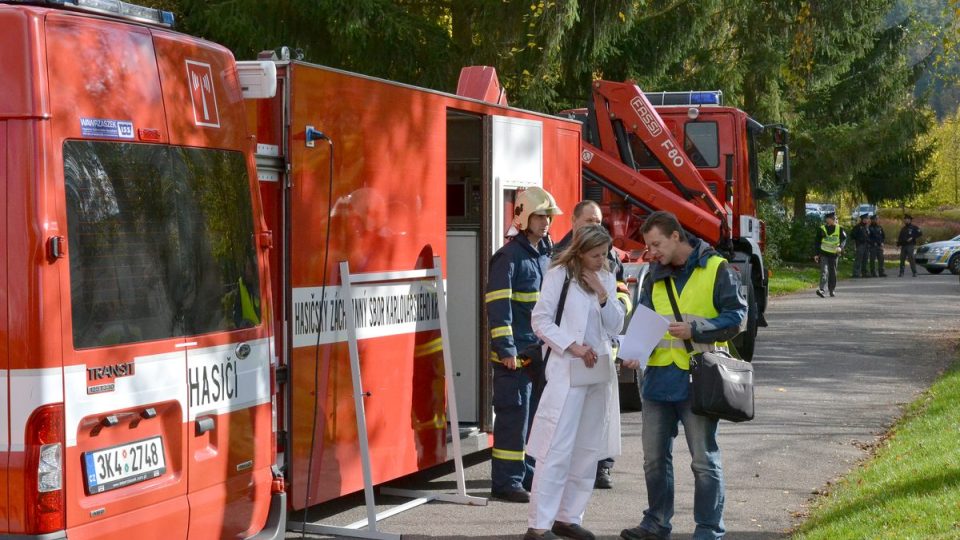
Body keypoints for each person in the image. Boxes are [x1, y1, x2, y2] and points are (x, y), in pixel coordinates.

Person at [619, 211, 746, 540]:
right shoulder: (653, 275)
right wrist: (635, 351)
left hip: (697, 381)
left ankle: (708, 531)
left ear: (677, 237)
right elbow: (645, 317)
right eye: (648, 246)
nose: (652, 252)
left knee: (703, 461)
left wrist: (696, 328)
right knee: (653, 460)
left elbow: (738, 317)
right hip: (658, 381)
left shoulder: (716, 269)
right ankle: (656, 523)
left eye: (656, 244)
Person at [525, 224, 627, 540]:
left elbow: (615, 324)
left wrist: (601, 293)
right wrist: (571, 345)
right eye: (595, 255)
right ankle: (539, 525)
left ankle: (568, 517)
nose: (601, 260)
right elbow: (540, 320)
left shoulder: (606, 278)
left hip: (598, 371)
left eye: (604, 254)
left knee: (587, 448)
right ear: (580, 252)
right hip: (568, 369)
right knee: (557, 446)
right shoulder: (559, 275)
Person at [486, 186, 562, 503]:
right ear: (523, 218)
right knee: (513, 418)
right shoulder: (508, 258)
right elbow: (498, 306)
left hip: (538, 354)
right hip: (515, 357)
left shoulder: (545, 255)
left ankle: (528, 475)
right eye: (540, 216)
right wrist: (506, 350)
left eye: (548, 216)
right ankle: (506, 482)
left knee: (534, 420)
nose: (546, 222)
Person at [553, 200, 634, 490]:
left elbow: (622, 301)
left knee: (601, 417)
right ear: (574, 222)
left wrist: (607, 301)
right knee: (565, 418)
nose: (595, 226)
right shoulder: (557, 255)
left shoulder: (610, 258)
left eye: (599, 221)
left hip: (601, 349)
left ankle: (602, 467)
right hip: (568, 353)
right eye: (589, 221)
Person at [813, 211, 846, 297]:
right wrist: (816, 254)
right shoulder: (822, 229)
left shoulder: (840, 228)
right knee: (824, 271)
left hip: (834, 255)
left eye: (835, 218)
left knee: (833, 272)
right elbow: (817, 242)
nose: (835, 219)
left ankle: (832, 290)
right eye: (833, 218)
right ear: (827, 220)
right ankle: (821, 289)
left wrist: (841, 248)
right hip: (824, 253)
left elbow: (844, 239)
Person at [850, 213, 870, 278]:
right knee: (858, 259)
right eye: (866, 219)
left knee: (865, 259)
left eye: (867, 219)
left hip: (866, 245)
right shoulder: (857, 227)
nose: (867, 220)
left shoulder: (866, 227)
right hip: (860, 245)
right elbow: (852, 235)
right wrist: (856, 242)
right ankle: (856, 273)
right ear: (862, 219)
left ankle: (864, 273)